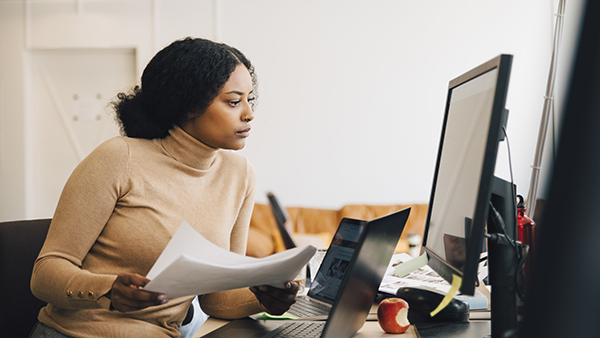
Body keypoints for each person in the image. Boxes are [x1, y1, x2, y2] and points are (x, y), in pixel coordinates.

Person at [29, 37, 298, 338]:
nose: (249, 114)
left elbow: (218, 298)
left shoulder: (239, 175)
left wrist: (264, 298)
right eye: (234, 102)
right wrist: (108, 289)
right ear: (187, 105)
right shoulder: (120, 157)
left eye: (250, 99)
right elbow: (45, 273)